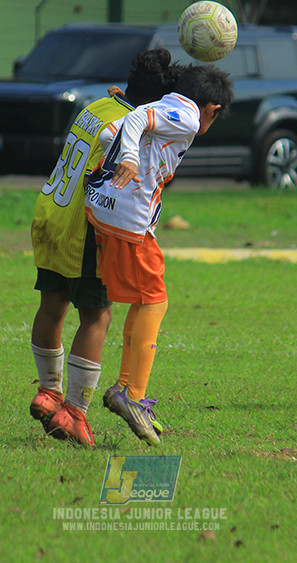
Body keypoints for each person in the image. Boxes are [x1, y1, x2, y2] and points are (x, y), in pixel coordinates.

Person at [29, 48, 184, 448]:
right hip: (85, 227)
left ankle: (48, 392)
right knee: (97, 316)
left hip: (50, 212)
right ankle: (74, 412)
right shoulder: (133, 126)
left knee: (52, 305)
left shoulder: (100, 103)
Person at [86, 64, 233, 446]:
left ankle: (123, 387)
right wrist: (131, 159)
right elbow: (138, 118)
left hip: (104, 207)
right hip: (127, 216)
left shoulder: (168, 104)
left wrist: (124, 150)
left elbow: (110, 130)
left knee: (142, 299)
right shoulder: (185, 116)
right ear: (212, 109)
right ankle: (133, 396)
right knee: (155, 301)